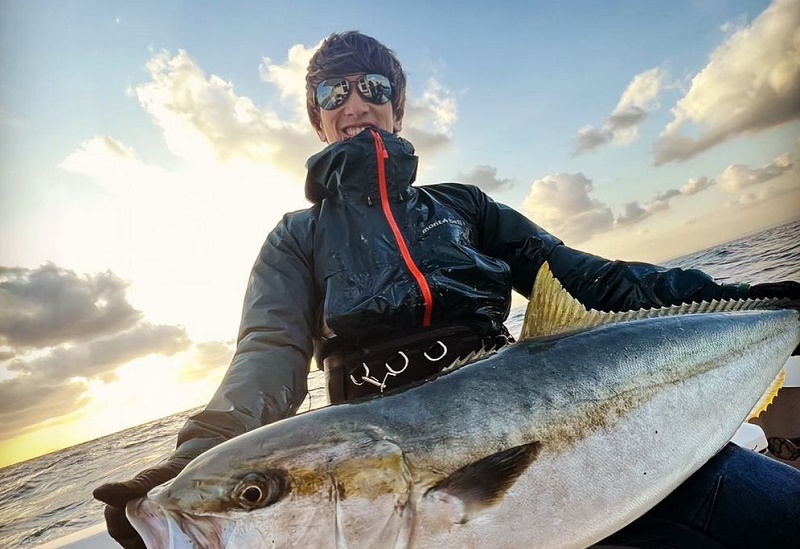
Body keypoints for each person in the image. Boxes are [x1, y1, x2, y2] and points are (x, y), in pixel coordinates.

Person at [94, 31, 800, 548]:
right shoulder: (295, 239)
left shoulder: (463, 206)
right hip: (407, 504)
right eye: (331, 92)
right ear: (315, 117)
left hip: (573, 424)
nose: (355, 102)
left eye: (373, 87)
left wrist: (765, 295)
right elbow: (268, 354)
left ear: (396, 109)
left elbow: (591, 279)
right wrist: (194, 460)